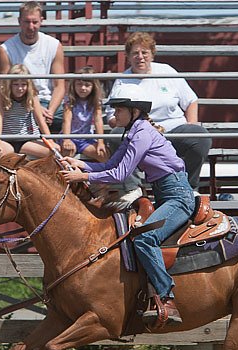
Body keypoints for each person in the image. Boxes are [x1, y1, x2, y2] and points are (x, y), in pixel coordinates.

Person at [59, 85, 192, 326]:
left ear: (134, 111)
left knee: (144, 238)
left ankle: (167, 298)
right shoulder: (134, 132)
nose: (114, 115)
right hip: (167, 193)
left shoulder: (141, 134)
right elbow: (110, 164)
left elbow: (120, 174)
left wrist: (83, 178)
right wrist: (81, 165)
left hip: (177, 196)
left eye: (119, 110)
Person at [106, 31, 212, 190]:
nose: (140, 56)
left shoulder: (167, 71)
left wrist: (192, 124)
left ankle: (187, 188)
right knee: (115, 137)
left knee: (200, 136)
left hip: (173, 131)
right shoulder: (122, 80)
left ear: (152, 54)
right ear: (128, 57)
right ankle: (134, 192)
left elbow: (191, 101)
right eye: (135, 53)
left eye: (144, 52)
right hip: (139, 135)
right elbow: (111, 118)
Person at [0, 1, 65, 132]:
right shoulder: (6, 49)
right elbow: (5, 88)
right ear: (19, 21)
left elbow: (60, 86)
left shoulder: (54, 45)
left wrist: (50, 111)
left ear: (41, 21)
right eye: (26, 22)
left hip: (49, 102)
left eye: (35, 22)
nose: (31, 26)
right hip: (21, 102)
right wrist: (37, 108)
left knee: (71, 116)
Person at [0, 63, 58, 158]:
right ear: (10, 84)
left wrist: (50, 140)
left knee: (55, 151)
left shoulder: (32, 94)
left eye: (23, 84)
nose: (20, 88)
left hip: (27, 140)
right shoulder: (2, 94)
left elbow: (40, 119)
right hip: (7, 139)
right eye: (16, 84)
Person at [60, 66, 108, 162]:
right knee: (68, 152)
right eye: (79, 84)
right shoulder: (70, 100)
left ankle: (97, 175)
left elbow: (98, 121)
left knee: (103, 154)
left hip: (85, 139)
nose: (82, 88)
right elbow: (67, 120)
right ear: (74, 85)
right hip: (70, 136)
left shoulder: (95, 101)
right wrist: (66, 139)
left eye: (87, 85)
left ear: (93, 86)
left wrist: (100, 142)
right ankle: (67, 174)